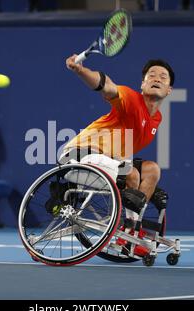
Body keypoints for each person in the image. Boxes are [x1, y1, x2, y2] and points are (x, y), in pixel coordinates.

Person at [60, 55, 175, 255]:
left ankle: (129, 230)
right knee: (131, 175)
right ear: (142, 84)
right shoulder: (130, 98)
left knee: (152, 170)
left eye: (163, 77)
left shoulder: (156, 119)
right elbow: (106, 85)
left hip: (108, 163)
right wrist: (80, 70)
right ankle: (130, 232)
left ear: (169, 90)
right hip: (79, 157)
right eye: (152, 75)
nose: (157, 79)